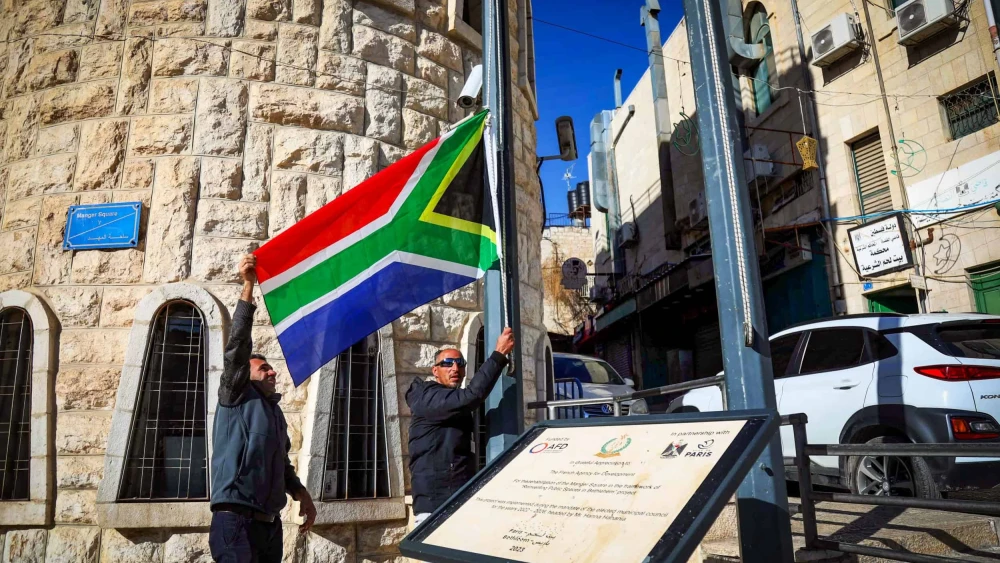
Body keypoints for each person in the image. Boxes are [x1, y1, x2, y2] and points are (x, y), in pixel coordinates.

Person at [209, 254, 317, 563]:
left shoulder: (273, 413)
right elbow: (238, 346)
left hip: (269, 525)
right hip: (235, 522)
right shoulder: (235, 393)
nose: (272, 372)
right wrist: (248, 284)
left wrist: (301, 494)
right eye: (264, 369)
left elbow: (281, 464)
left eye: (272, 369)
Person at [406, 327, 516, 526]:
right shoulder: (429, 396)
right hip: (436, 505)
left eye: (460, 363)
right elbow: (471, 396)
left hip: (456, 499)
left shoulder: (448, 400)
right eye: (447, 363)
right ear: (435, 371)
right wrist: (499, 354)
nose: (455, 368)